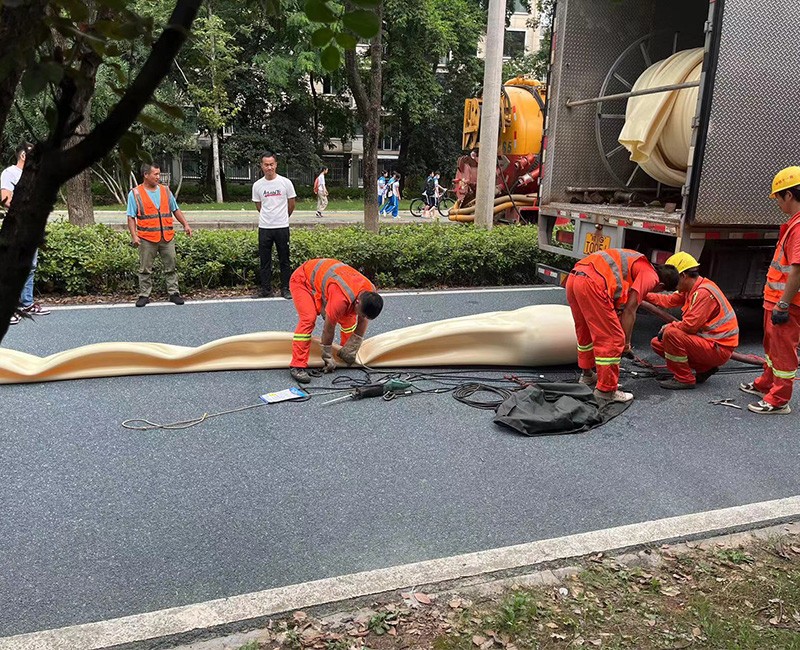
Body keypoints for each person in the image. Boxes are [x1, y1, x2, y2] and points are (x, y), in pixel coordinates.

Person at [565, 248, 678, 403]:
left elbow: (621, 303)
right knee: (613, 339)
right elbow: (630, 310)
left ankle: (587, 375)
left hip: (575, 277)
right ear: (661, 285)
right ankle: (607, 390)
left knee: (585, 331)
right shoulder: (651, 276)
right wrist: (626, 343)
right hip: (594, 283)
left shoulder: (637, 263)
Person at [740, 166, 800, 414]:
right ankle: (767, 383)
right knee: (771, 347)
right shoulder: (794, 224)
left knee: (783, 350)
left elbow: (798, 269)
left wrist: (784, 304)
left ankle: (779, 400)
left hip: (787, 303)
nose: (776, 202)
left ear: (789, 195)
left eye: (777, 196)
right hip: (774, 300)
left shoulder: (799, 227)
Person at [645, 252, 739, 390]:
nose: (673, 283)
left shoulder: (703, 293)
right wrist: (642, 294)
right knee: (657, 343)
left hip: (719, 348)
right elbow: (667, 300)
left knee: (671, 334)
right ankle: (704, 369)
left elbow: (689, 327)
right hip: (708, 342)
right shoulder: (691, 288)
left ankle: (684, 379)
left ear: (683, 276)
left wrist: (669, 326)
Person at [288, 258, 384, 383]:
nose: (363, 318)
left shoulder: (370, 293)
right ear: (358, 302)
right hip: (302, 280)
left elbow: (363, 320)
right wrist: (327, 356)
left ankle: (343, 352)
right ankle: (297, 365)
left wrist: (351, 349)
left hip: (326, 283)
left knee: (349, 320)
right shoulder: (341, 299)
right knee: (308, 319)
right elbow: (328, 328)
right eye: (362, 314)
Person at [126, 162, 192, 307]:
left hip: (167, 237)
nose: (158, 177)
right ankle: (144, 295)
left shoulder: (165, 191)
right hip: (146, 238)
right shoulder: (135, 193)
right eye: (155, 174)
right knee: (145, 269)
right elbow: (131, 217)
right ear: (146, 175)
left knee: (171, 266)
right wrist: (134, 236)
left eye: (158, 174)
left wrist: (185, 224)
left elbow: (175, 209)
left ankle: (174, 293)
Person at [1, 142, 50, 324]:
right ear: (23, 156)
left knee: (30, 266)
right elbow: (5, 197)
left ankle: (27, 304)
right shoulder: (10, 173)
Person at [252, 151, 296, 299]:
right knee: (265, 260)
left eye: (271, 164)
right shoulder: (257, 185)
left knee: (284, 259)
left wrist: (283, 216)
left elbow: (291, 204)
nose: (269, 167)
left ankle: (286, 289)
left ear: (276, 165)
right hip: (265, 227)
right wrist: (268, 217)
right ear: (261, 166)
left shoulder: (285, 183)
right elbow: (259, 206)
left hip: (282, 226)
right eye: (266, 165)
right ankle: (266, 289)